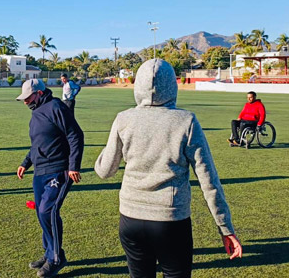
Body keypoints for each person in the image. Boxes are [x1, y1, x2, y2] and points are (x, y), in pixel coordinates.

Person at [95, 59, 242, 278]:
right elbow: (208, 180)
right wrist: (225, 227)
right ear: (172, 86)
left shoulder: (123, 119)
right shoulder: (186, 121)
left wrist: (110, 148)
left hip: (131, 219)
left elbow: (104, 170)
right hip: (170, 221)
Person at [16, 79, 84, 278]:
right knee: (41, 212)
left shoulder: (56, 107)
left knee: (48, 211)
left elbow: (75, 135)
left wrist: (73, 166)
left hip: (58, 169)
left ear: (38, 93)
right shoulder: (36, 113)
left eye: (28, 98)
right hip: (40, 170)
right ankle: (50, 253)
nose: (25, 102)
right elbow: (38, 142)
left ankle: (56, 259)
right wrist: (25, 162)